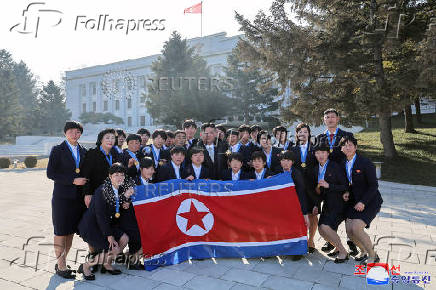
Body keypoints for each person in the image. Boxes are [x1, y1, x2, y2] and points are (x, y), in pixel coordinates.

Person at [77, 163, 136, 279]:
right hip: (92, 226)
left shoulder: (120, 188)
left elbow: (116, 206)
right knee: (114, 250)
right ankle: (86, 266)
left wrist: (126, 203)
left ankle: (107, 264)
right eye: (116, 175)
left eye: (122, 175)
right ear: (110, 176)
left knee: (124, 239)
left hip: (106, 224)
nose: (120, 178)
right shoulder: (102, 190)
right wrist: (109, 235)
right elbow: (100, 215)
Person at [47, 121, 87, 279]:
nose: (74, 134)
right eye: (71, 131)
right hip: (62, 197)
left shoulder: (84, 151)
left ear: (80, 134)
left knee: (70, 231)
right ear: (65, 133)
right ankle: (61, 266)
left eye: (77, 132)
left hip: (78, 198)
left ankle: (62, 262)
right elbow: (51, 173)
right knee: (60, 231)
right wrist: (72, 180)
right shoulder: (58, 150)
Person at [315, 108, 357, 256]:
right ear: (324, 120)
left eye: (333, 117)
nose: (330, 119)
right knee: (331, 209)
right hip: (327, 182)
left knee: (346, 212)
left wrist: (347, 187)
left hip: (344, 179)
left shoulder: (347, 135)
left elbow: (352, 156)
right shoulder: (319, 137)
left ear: (338, 119)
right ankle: (331, 241)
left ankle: (351, 242)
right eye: (327, 117)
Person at [340, 136, 383, 265]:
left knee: (356, 228)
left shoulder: (365, 162)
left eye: (350, 145)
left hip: (370, 200)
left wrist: (363, 202)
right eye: (345, 145)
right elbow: (348, 182)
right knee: (349, 231)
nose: (348, 148)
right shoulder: (343, 163)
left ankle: (373, 255)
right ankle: (363, 251)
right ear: (342, 148)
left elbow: (373, 186)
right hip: (353, 200)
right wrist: (346, 192)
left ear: (356, 147)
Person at [312, 143, 350, 263]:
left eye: (323, 152)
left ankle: (343, 252)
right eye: (318, 153)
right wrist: (316, 204)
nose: (321, 155)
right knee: (322, 230)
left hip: (339, 203)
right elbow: (318, 191)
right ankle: (338, 248)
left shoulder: (335, 167)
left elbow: (345, 186)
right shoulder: (315, 169)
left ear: (328, 154)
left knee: (325, 227)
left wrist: (329, 185)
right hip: (327, 204)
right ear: (314, 155)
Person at [291, 123, 319, 253]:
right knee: (300, 214)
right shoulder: (292, 149)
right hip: (297, 187)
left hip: (312, 187)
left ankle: (311, 240)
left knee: (312, 214)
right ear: (297, 134)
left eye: (305, 132)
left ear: (309, 134)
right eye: (300, 132)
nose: (302, 134)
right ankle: (302, 239)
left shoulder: (315, 149)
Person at [276, 150, 309, 260]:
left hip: (295, 205)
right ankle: (283, 248)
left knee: (295, 228)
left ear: (293, 162)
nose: (285, 163)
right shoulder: (276, 171)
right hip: (280, 205)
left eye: (288, 160)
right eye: (283, 160)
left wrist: (304, 213)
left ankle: (297, 251)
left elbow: (301, 193)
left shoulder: (296, 173)